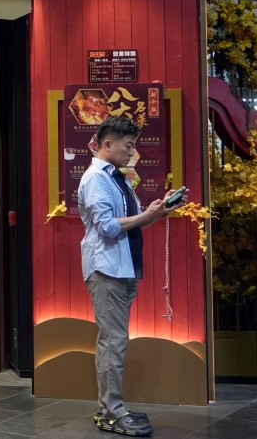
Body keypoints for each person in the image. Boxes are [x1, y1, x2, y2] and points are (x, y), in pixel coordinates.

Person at [77, 115, 187, 437]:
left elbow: (134, 221)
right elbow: (108, 227)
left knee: (114, 342)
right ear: (106, 144)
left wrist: (158, 211)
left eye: (133, 145)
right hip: (107, 269)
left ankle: (110, 409)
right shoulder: (95, 178)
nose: (132, 152)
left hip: (121, 268)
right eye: (128, 146)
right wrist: (146, 214)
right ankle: (113, 413)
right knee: (113, 343)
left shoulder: (117, 178)